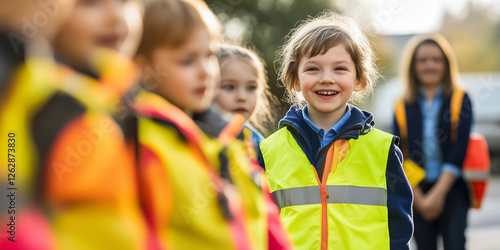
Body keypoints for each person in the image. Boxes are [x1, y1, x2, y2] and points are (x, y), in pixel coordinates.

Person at [132, 0, 291, 249]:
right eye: (187, 61)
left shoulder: (229, 139)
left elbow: (266, 223)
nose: (205, 71)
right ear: (142, 68)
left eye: (209, 56)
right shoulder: (135, 140)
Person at [257, 11, 413, 249]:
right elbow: (257, 223)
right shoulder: (269, 151)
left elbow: (399, 227)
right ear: (296, 80)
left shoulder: (383, 150)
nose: (326, 78)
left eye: (340, 69)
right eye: (313, 69)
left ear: (358, 80)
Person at [8, 0, 151, 248]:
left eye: (126, 2)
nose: (116, 17)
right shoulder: (40, 99)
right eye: (90, 3)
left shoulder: (127, 105)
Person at [393, 33, 473, 250]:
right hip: (417, 191)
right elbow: (400, 154)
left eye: (436, 60)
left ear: (446, 65)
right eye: (423, 60)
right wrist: (419, 197)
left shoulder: (460, 99)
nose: (430, 65)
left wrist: (438, 194)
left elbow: (459, 150)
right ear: (413, 66)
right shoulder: (401, 105)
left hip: (452, 190)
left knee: (455, 244)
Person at [213, 44, 276, 147]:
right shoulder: (194, 138)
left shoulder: (260, 145)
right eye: (229, 87)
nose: (242, 97)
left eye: (251, 87)